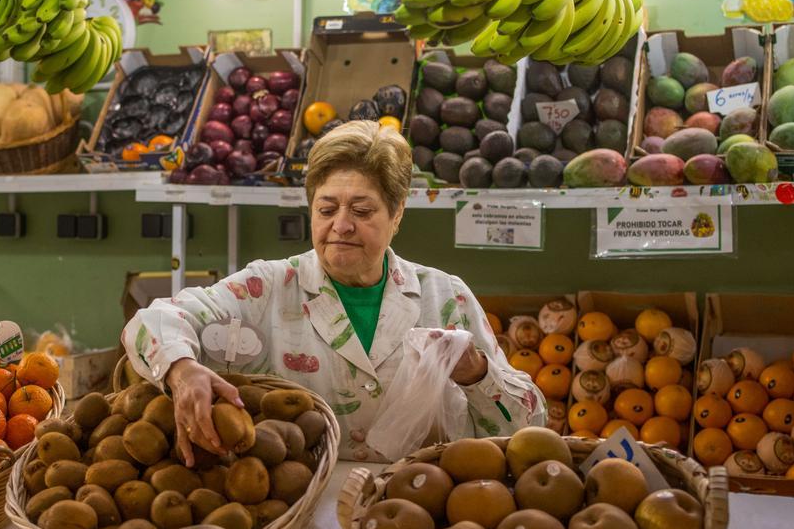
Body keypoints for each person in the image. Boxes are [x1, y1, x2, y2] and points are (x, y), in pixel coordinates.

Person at [123, 121, 546, 463]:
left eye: (362, 211)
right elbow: (153, 319)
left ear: (397, 215)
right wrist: (181, 369)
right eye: (326, 210)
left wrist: (476, 374)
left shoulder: (445, 297)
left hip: (421, 509)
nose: (341, 225)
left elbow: (529, 426)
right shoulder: (267, 287)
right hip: (299, 509)